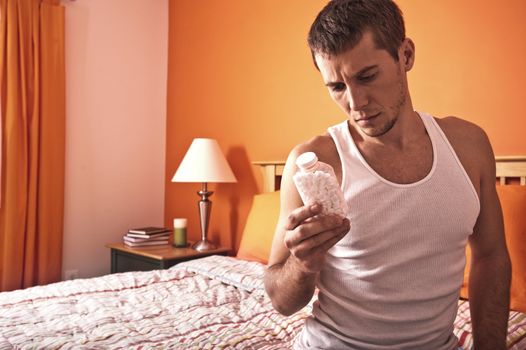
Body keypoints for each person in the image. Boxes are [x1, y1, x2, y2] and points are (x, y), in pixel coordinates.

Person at [263, 0, 512, 349]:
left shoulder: (469, 146)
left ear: (405, 55)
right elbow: (279, 299)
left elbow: (490, 256)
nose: (356, 102)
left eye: (367, 76)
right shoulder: (314, 163)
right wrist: (303, 265)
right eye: (337, 87)